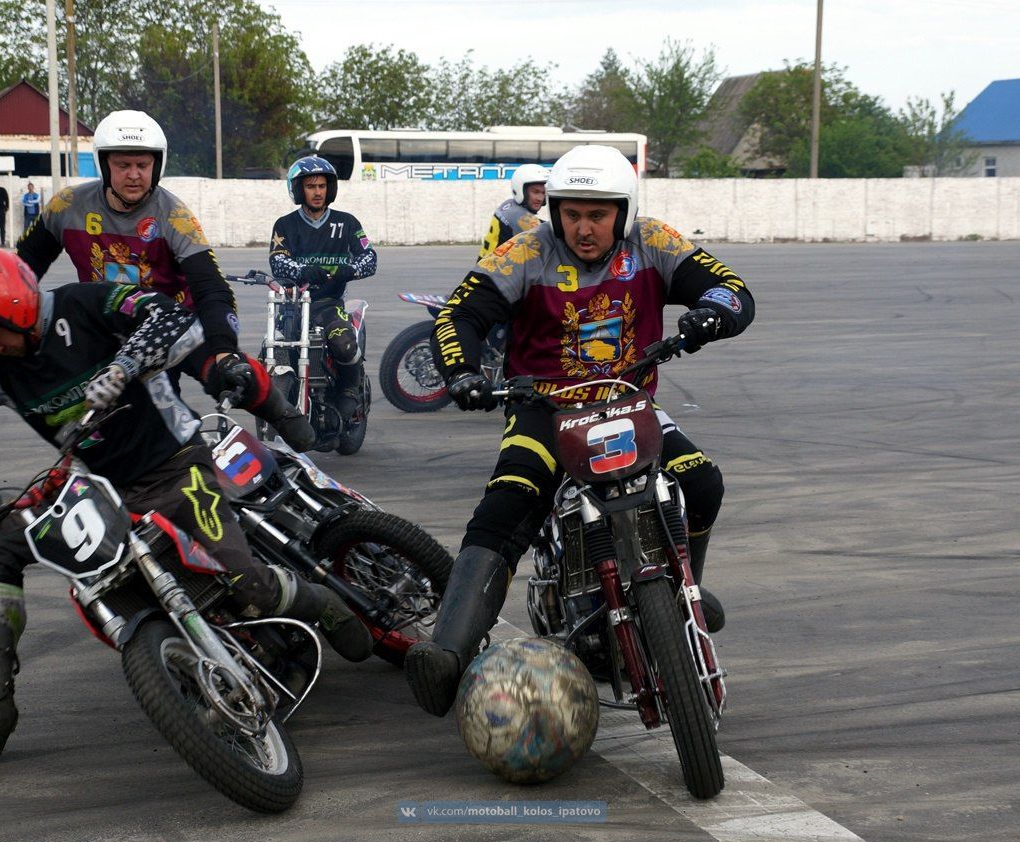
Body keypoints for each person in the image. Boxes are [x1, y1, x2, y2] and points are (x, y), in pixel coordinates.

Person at [0, 246, 371, 758]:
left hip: (176, 464)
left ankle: (325, 605)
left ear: (18, 305)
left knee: (245, 584)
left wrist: (124, 365)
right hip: (101, 492)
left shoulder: (84, 304)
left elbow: (170, 314)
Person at [405, 145, 756, 717]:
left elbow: (731, 289)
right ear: (555, 211)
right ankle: (447, 652)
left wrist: (711, 314)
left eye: (598, 214)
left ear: (624, 210)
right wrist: (462, 373)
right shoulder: (526, 251)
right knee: (509, 501)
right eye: (571, 213)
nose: (583, 227)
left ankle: (683, 589)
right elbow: (459, 314)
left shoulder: (655, 242)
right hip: (543, 407)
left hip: (627, 401)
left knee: (703, 484)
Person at [17, 109, 314, 451]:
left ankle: (278, 408)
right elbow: (24, 269)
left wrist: (223, 352)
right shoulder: (66, 206)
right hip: (108, 327)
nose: (133, 175)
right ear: (103, 165)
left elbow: (212, 289)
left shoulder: (175, 216)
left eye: (142, 165)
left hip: (176, 324)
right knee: (131, 428)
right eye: (122, 165)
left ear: (156, 166)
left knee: (231, 374)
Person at [268, 155, 378, 422]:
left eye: (321, 186)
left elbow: (369, 258)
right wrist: (302, 272)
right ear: (298, 190)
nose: (317, 192)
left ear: (330, 188)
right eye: (310, 186)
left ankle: (349, 391)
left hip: (329, 306)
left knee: (344, 345)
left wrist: (347, 270)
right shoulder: (285, 225)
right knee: (271, 350)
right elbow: (277, 260)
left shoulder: (348, 223)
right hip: (292, 307)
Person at [478, 163, 549, 259]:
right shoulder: (520, 216)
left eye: (543, 193)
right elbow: (551, 235)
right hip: (493, 271)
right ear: (521, 190)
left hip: (487, 267)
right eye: (535, 192)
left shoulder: (509, 205)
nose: (540, 198)